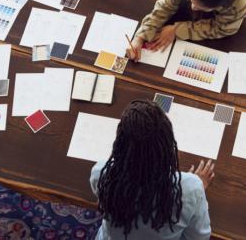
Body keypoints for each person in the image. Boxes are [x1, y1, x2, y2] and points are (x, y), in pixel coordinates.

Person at [90, 100, 215, 240]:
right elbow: (198, 237)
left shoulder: (101, 173)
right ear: (167, 146)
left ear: (119, 144)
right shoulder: (190, 188)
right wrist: (195, 188)